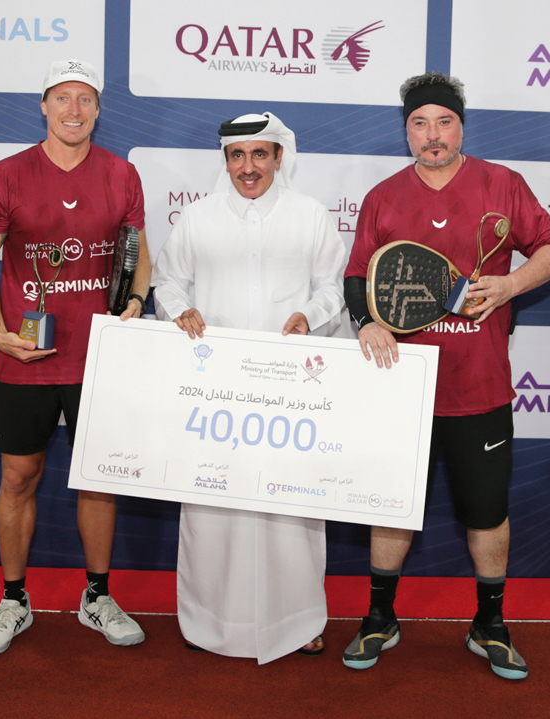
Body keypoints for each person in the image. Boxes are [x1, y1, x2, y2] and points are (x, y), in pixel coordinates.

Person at [341, 72, 550, 678]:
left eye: (443, 121)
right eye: (419, 123)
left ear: (461, 125)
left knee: (487, 512)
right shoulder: (383, 196)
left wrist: (511, 283)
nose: (432, 134)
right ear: (407, 131)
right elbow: (355, 276)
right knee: (391, 505)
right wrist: (366, 320)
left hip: (481, 387)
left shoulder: (503, 183)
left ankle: (489, 625)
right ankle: (379, 618)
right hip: (402, 388)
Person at [0, 59, 151, 656]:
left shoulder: (122, 174)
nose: (74, 110)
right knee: (18, 477)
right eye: (62, 98)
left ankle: (96, 596)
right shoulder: (7, 174)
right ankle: (13, 601)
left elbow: (137, 253)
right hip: (27, 355)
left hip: (100, 357)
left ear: (98, 109)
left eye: (85, 99)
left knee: (99, 481)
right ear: (43, 107)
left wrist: (139, 299)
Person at [151, 112, 346, 664]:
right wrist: (178, 308)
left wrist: (309, 315)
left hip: (292, 390)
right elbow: (166, 281)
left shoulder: (310, 217)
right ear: (226, 160)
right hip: (216, 391)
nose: (248, 167)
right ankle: (207, 621)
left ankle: (301, 620)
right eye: (237, 156)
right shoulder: (197, 217)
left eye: (260, 154)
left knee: (292, 509)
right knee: (214, 507)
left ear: (279, 158)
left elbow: (332, 287)